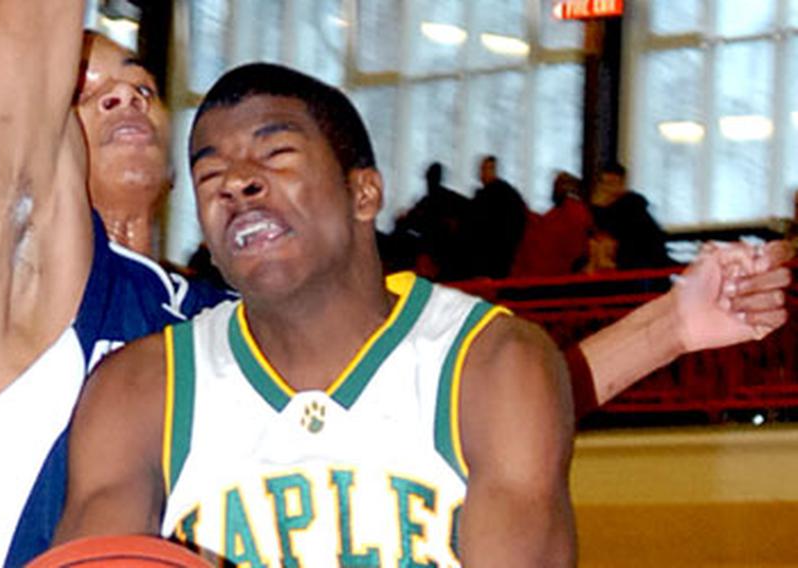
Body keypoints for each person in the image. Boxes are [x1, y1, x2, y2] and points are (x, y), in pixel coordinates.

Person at [53, 62, 793, 564]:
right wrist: (668, 327)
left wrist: (670, 327)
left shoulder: (493, 362)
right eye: (210, 174)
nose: (236, 184)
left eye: (274, 157)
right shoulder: (139, 389)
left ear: (365, 193)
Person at [0, 7, 229, 567]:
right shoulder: (13, 279)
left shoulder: (226, 315)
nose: (126, 97)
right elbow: (28, 39)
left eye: (142, 85)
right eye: (83, 90)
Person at [591, 163, 673, 270]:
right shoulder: (597, 208)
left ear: (622, 184)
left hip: (638, 261)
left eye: (612, 183)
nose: (608, 189)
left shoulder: (632, 205)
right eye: (605, 184)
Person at [467, 154, 529, 278]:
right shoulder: (505, 193)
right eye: (482, 169)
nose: (482, 173)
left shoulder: (501, 194)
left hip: (495, 253)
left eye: (486, 169)